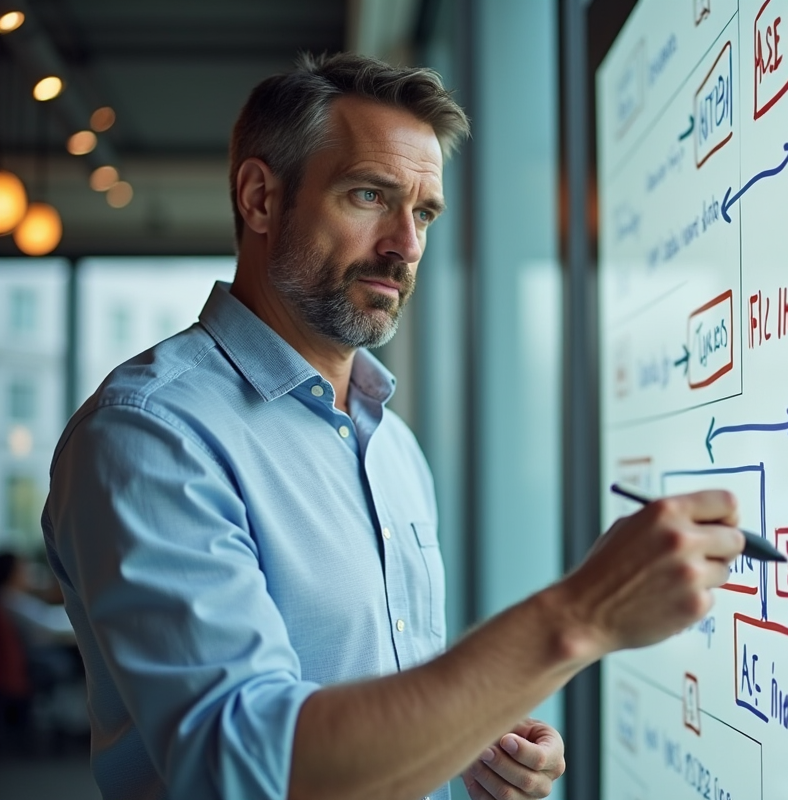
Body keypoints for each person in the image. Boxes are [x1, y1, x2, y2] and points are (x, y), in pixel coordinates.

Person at [42, 52, 743, 800]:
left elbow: (369, 697)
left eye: (425, 213)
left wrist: (466, 742)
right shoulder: (151, 435)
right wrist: (581, 616)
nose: (405, 245)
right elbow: (247, 767)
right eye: (369, 195)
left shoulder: (392, 444)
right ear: (260, 198)